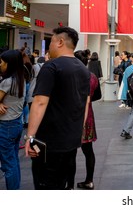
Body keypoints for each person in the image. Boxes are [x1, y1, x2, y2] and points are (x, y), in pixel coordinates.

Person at [25, 27, 90, 190]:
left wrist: (30, 137)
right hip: (71, 142)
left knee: (46, 186)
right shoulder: (83, 69)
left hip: (49, 144)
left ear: (60, 42)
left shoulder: (51, 67)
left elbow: (39, 102)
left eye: (51, 41)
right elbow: (85, 103)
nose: (49, 46)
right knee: (62, 185)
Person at [71, 50, 99, 190]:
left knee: (70, 153)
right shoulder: (92, 77)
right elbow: (97, 95)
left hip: (73, 117)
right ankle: (89, 180)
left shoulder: (72, 76)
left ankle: (69, 184)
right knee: (88, 151)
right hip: (88, 118)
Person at [0, 50, 26, 189]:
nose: (0, 65)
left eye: (2, 62)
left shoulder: (7, 81)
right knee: (13, 161)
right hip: (16, 124)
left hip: (5, 125)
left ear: (8, 64)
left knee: (8, 164)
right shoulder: (20, 79)